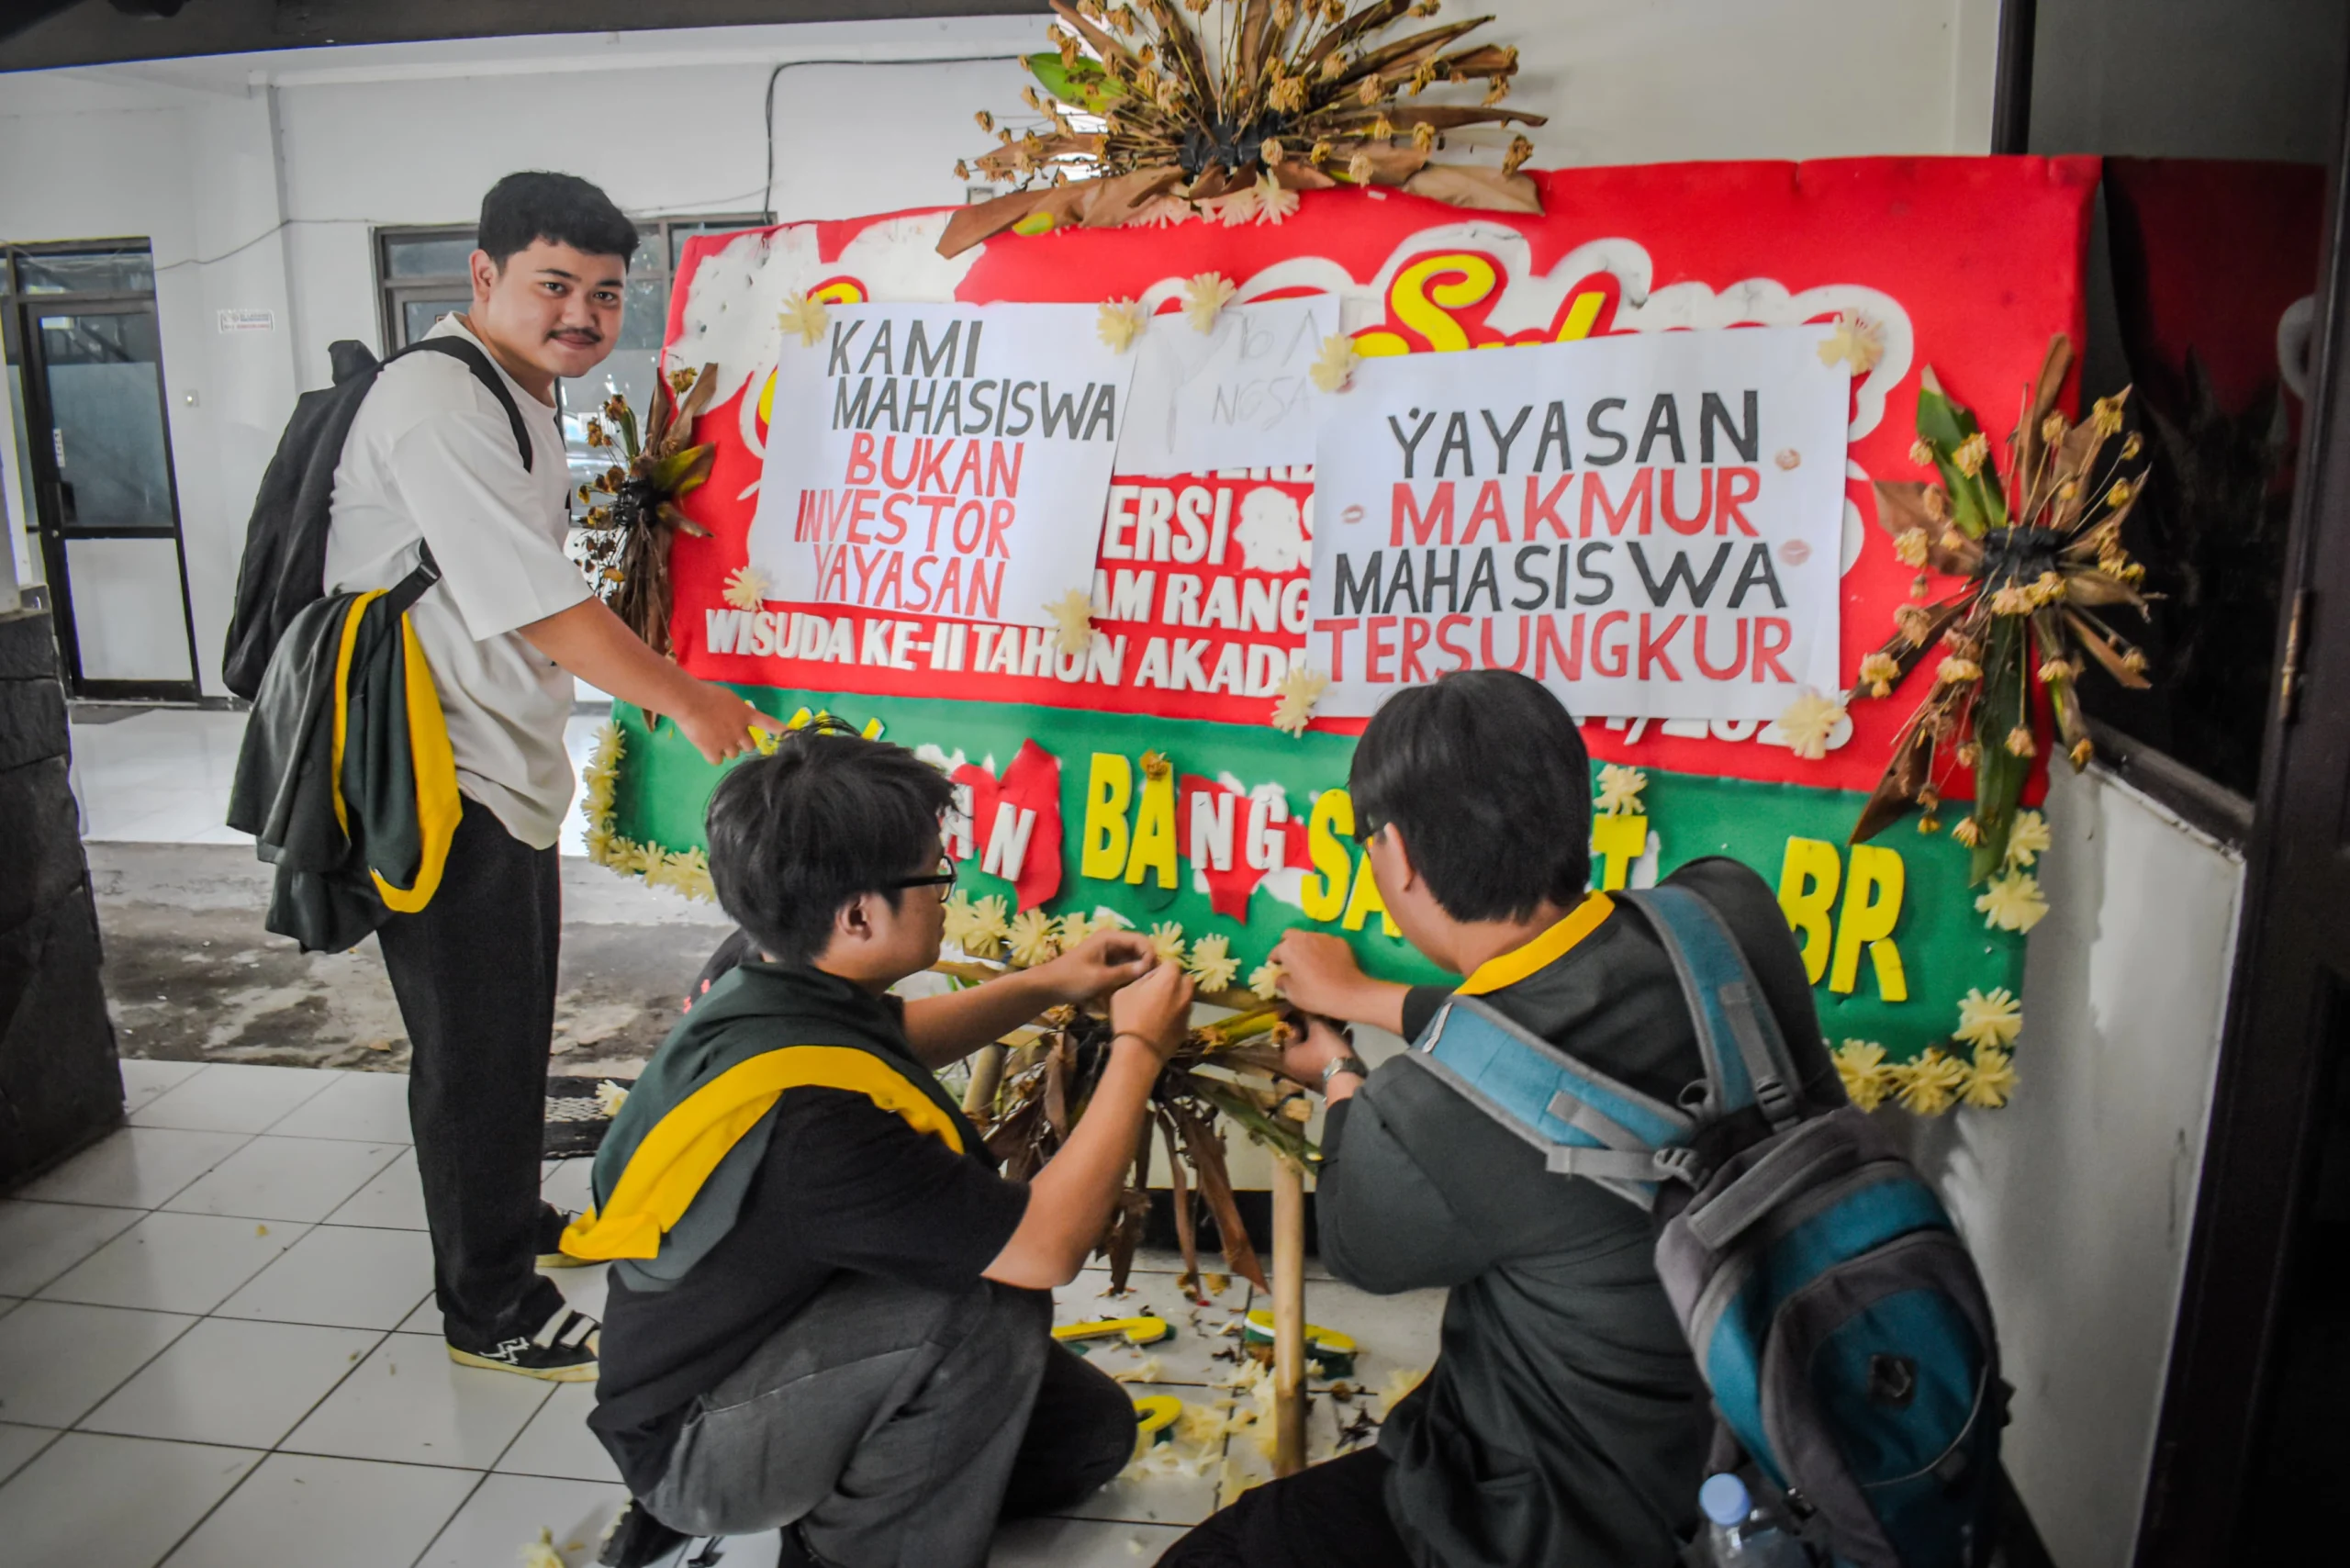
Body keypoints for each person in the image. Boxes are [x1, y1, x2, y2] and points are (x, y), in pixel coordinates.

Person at [1159, 669, 1842, 1568]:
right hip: (1792, 1447)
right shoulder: (1722, 918)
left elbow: (1364, 1244)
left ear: (1395, 855)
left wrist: (1336, 1070)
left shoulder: (1423, 1117)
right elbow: (1560, 1019)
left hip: (1564, 1524)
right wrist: (1369, 996)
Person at [326, 171, 777, 1380]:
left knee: (511, 1027)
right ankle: (491, 1310)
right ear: (484, 277)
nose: (580, 313)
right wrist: (683, 697)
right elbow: (538, 604)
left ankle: (508, 1226)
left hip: (499, 767)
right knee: (473, 1048)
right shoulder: (439, 404)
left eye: (603, 292)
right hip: (433, 775)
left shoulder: (515, 390)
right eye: (553, 284)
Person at [577, 725, 1196, 1568]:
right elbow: (1046, 1248)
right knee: (987, 1308)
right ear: (860, 914)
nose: (948, 891)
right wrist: (1140, 1050)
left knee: (1083, 1441)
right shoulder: (815, 1127)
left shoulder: (760, 972)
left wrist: (1052, 982)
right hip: (699, 1442)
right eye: (935, 875)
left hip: (765, 1341)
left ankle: (854, 1473)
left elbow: (890, 1037)